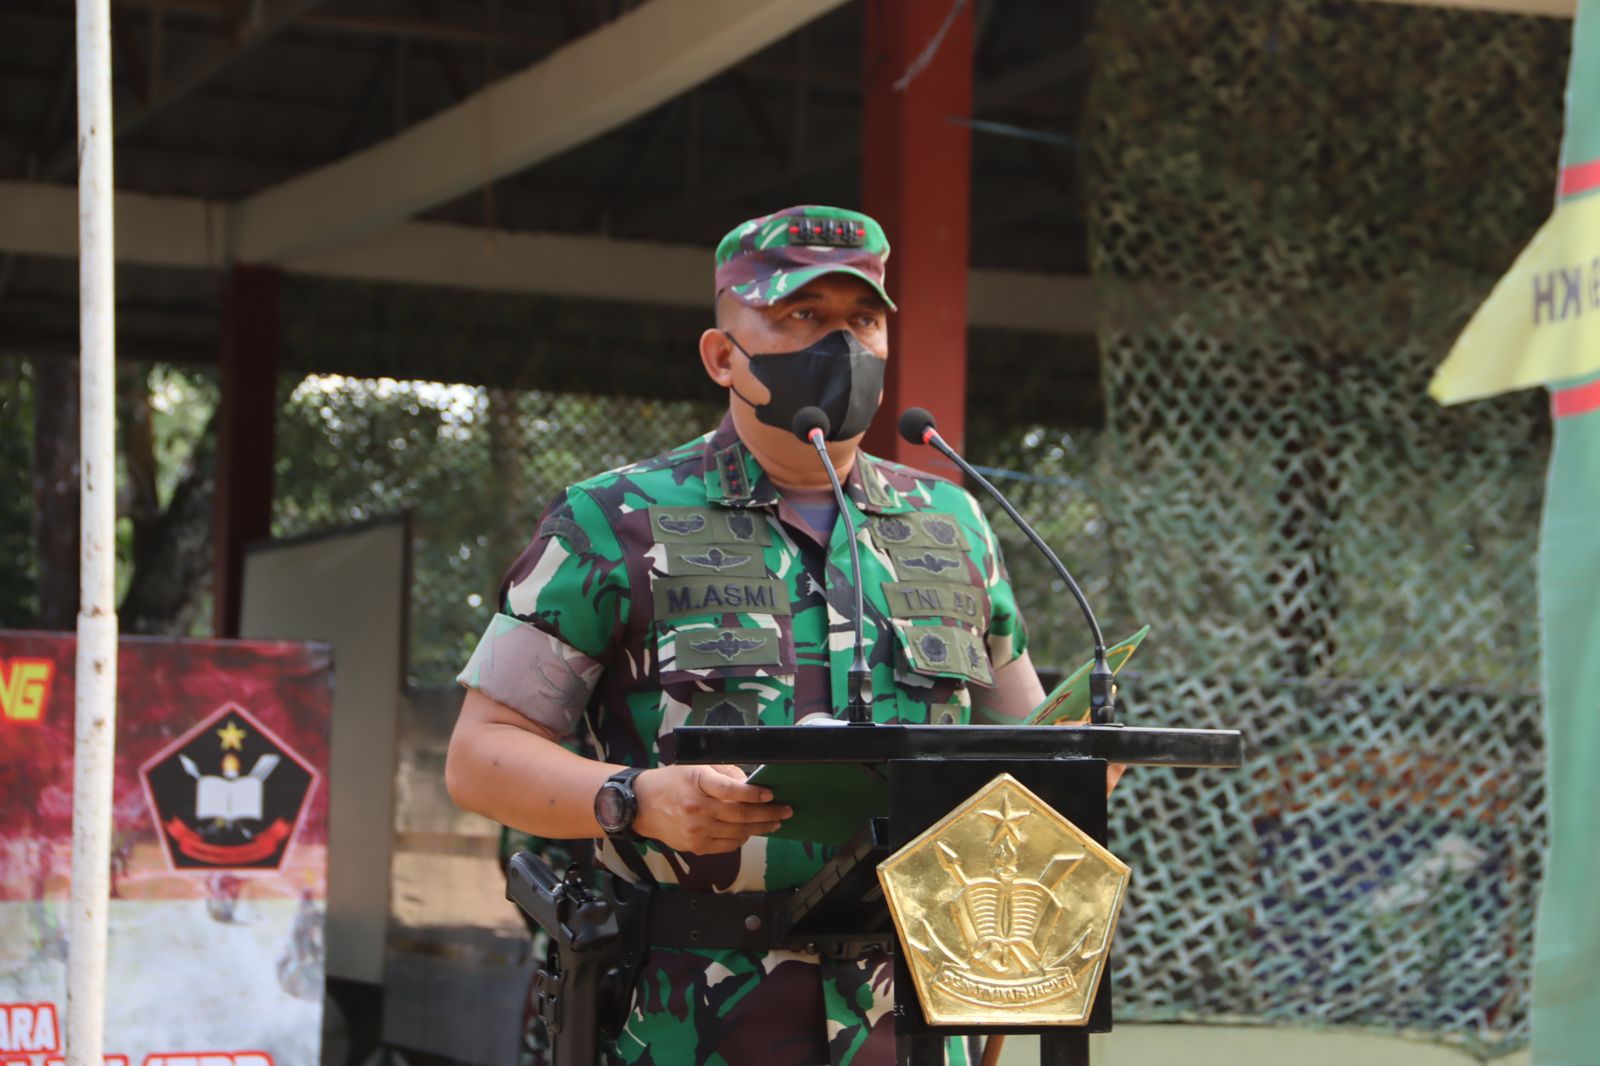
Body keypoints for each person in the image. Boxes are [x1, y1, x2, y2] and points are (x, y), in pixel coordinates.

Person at [447, 205, 1106, 1066]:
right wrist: (635, 799)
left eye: (862, 319)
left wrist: (1076, 768)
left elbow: (1020, 740)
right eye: (801, 314)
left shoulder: (952, 523)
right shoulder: (611, 519)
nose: (840, 344)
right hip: (692, 1015)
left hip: (914, 1012)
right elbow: (480, 755)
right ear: (723, 356)